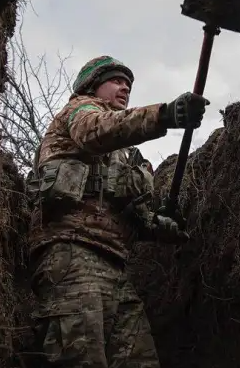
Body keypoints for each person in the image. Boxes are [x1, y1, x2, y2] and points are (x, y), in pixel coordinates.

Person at [25, 55, 209, 367]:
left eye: (128, 84)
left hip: (117, 268)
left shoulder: (123, 154)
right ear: (92, 86)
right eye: (116, 80)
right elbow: (95, 131)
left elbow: (128, 214)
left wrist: (160, 225)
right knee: (81, 358)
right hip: (71, 254)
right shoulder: (80, 112)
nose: (124, 87)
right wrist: (165, 115)